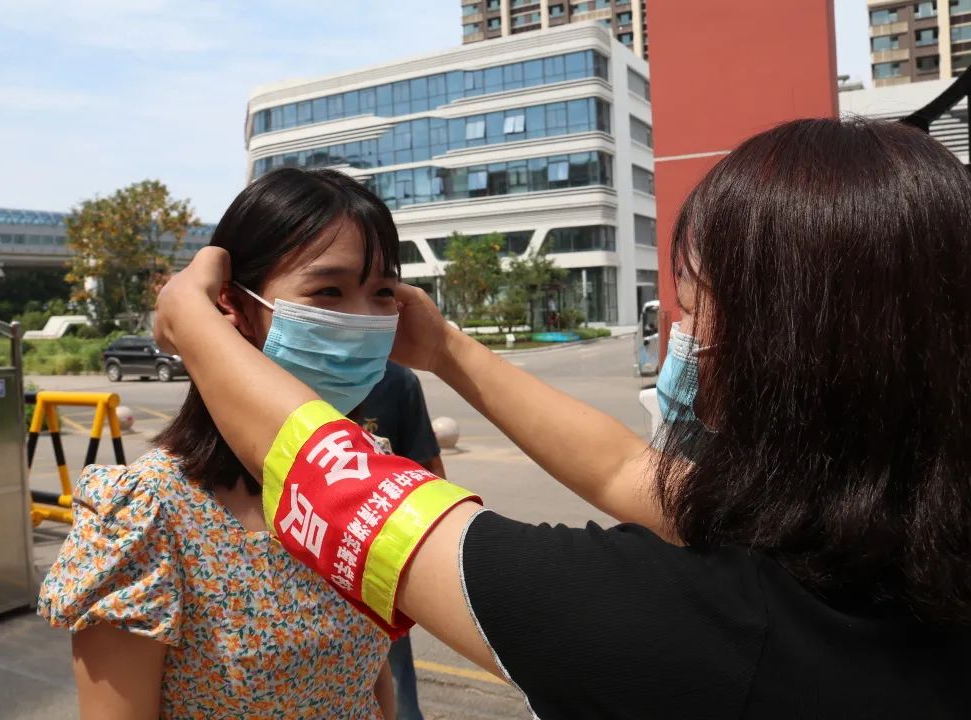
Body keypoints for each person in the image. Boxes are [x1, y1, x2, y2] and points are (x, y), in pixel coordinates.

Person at [153, 119, 971, 718]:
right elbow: (624, 472)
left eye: (694, 307)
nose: (675, 338)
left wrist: (192, 323)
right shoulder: (894, 547)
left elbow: (342, 498)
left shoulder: (693, 625)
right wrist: (445, 351)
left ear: (784, 351)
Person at [38, 168, 402, 719]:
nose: (363, 321)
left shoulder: (371, 477)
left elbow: (375, 687)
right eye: (328, 290)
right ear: (233, 306)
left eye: (383, 294)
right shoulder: (145, 517)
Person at [358, 361, 445, 720]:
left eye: (381, 299)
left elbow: (429, 475)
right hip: (301, 567)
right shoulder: (269, 375)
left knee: (396, 688)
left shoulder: (396, 381)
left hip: (378, 569)